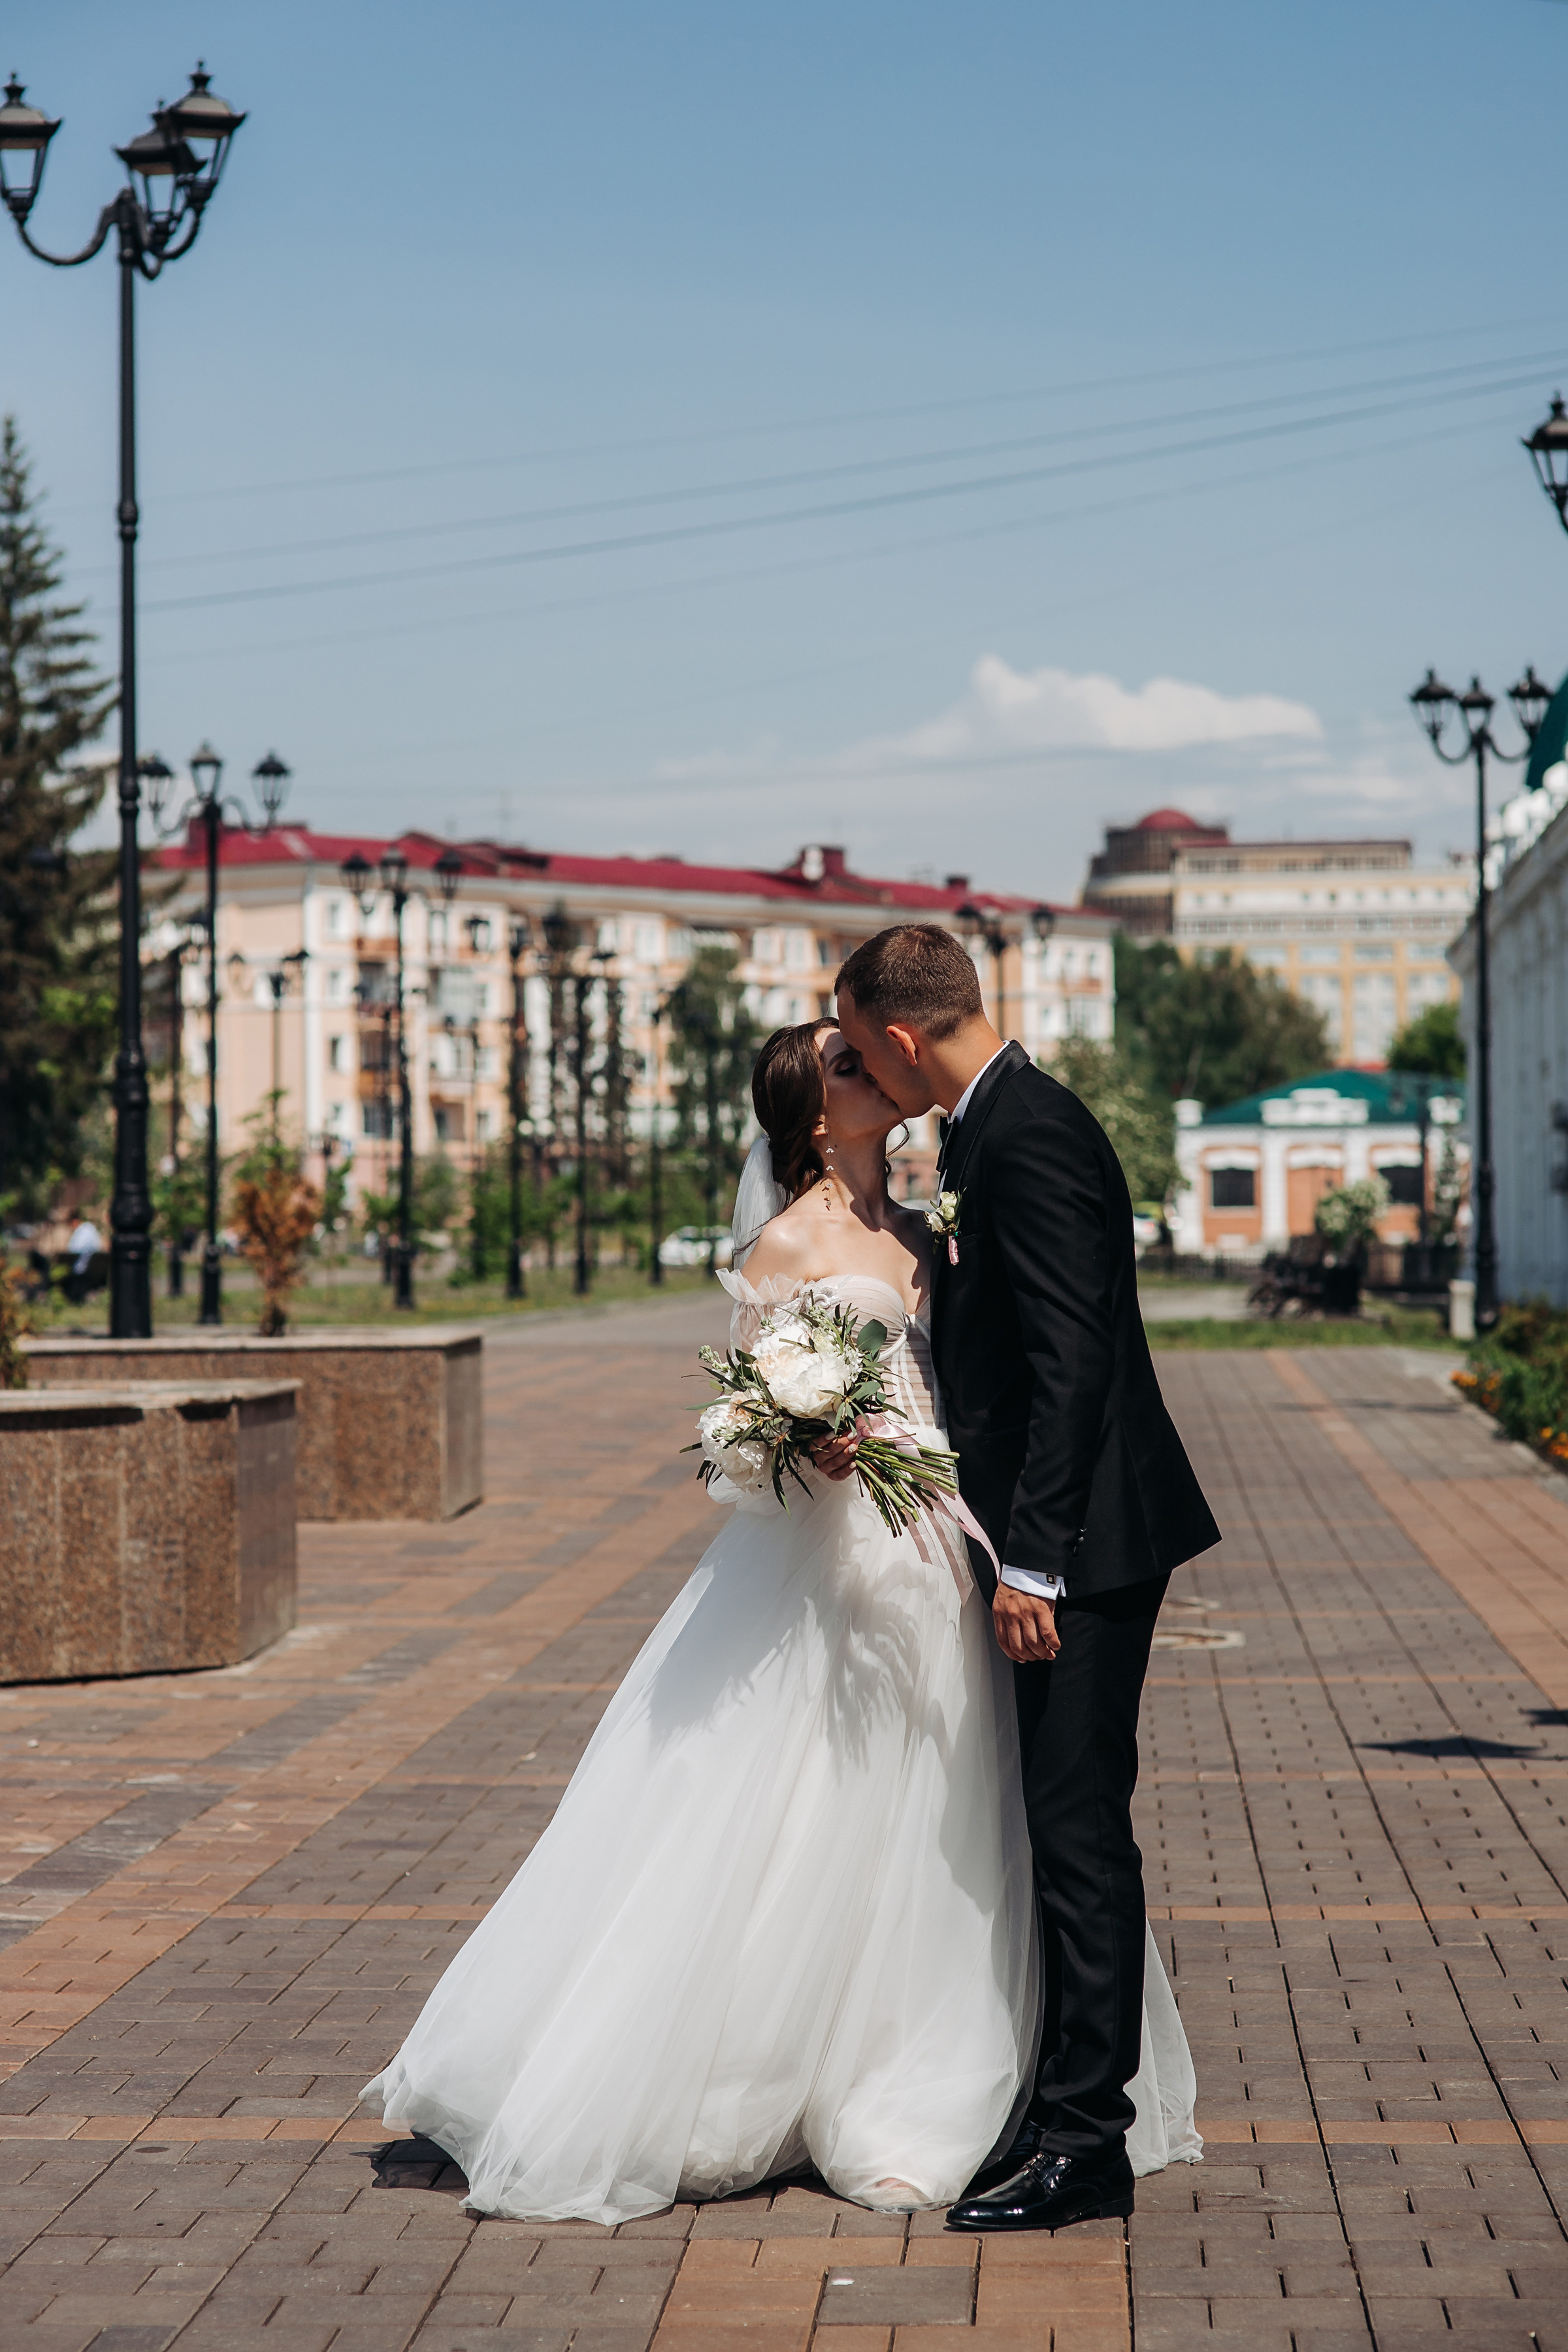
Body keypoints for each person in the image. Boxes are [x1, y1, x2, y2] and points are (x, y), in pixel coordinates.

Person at [360, 1017, 1196, 2224]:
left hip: (952, 1544)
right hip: (844, 1556)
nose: (875, 1069)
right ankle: (780, 2078)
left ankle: (931, 2073)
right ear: (812, 1114)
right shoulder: (785, 1244)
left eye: (871, 1050)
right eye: (848, 1064)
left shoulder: (927, 1222)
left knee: (958, 1813)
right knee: (821, 1804)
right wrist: (807, 1438)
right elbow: (737, 1444)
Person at [832, 924, 1219, 2233]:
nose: (865, 1077)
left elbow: (1075, 1369)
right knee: (1059, 1829)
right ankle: (1057, 2105)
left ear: (898, 1038)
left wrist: (1037, 1567)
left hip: (1089, 1547)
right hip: (1061, 1537)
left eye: (861, 1052)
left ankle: (1086, 2145)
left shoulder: (1031, 1135)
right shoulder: (990, 1128)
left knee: (1076, 1835)